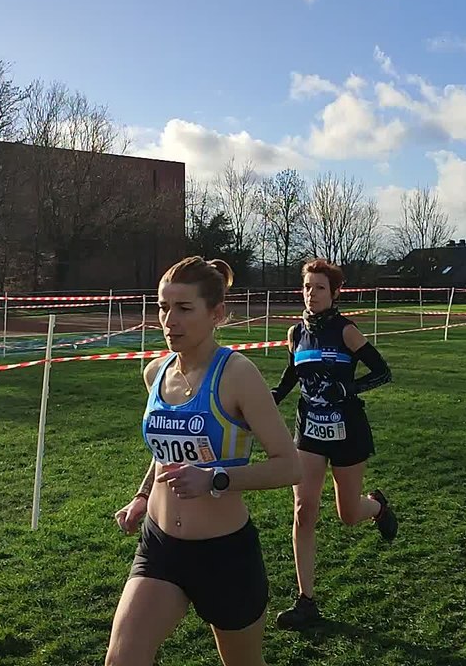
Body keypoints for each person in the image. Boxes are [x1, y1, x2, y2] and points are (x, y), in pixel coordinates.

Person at [107, 256, 302, 666]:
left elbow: (289, 465)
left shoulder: (238, 374)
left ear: (217, 314)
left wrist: (215, 479)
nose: (168, 320)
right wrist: (142, 496)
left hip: (224, 556)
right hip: (160, 547)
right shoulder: (155, 372)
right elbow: (167, 453)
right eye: (162, 307)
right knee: (122, 660)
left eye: (183, 309)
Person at [270, 258, 397, 630]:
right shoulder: (296, 333)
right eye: (307, 287)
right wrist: (270, 397)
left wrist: (349, 388)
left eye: (319, 288)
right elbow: (292, 373)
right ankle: (306, 600)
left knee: (347, 515)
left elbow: (382, 372)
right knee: (303, 511)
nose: (312, 294)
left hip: (348, 431)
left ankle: (376, 507)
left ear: (335, 292)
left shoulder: (346, 331)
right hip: (308, 431)